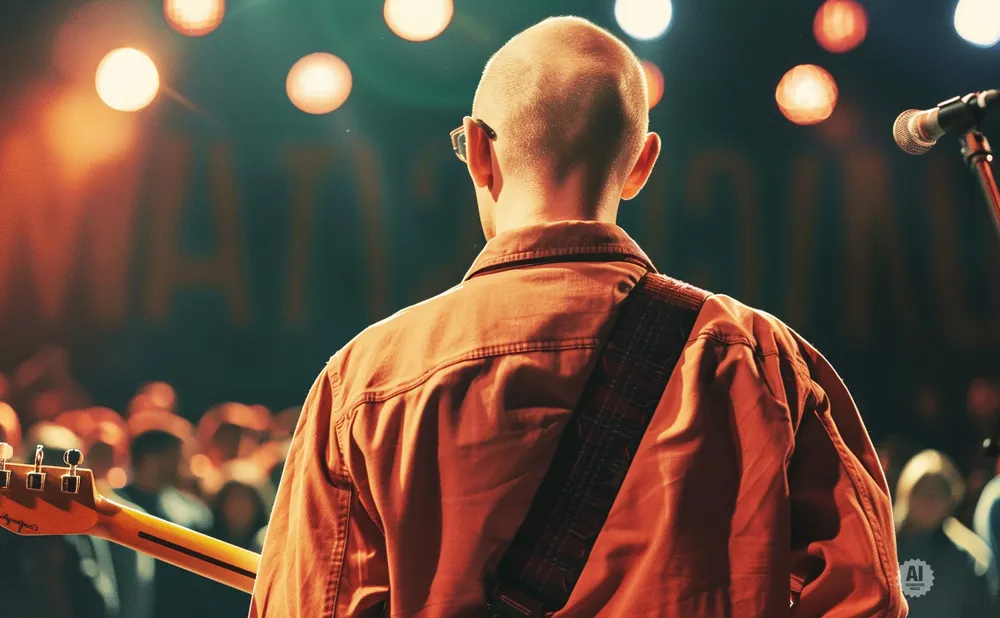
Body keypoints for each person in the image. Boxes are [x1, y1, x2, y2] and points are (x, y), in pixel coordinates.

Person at [252, 16, 906, 617]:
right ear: (642, 165)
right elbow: (865, 601)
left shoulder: (363, 383)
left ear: (478, 149)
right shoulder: (761, 359)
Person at [895, 450, 995, 617]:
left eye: (936, 493)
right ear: (906, 493)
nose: (929, 500)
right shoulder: (885, 549)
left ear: (950, 498)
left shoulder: (969, 558)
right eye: (922, 490)